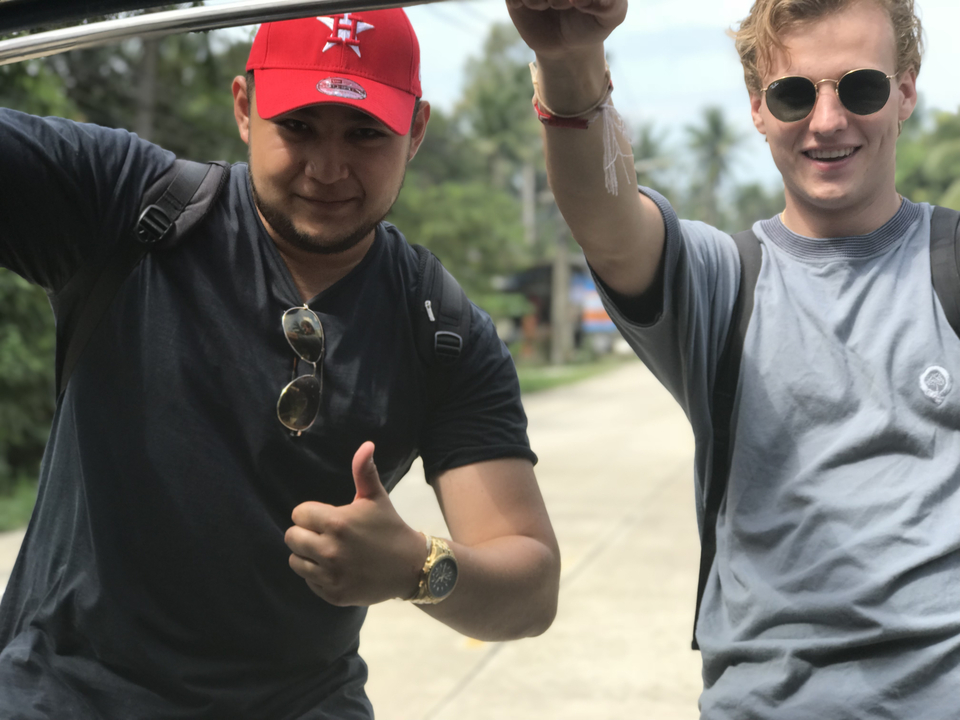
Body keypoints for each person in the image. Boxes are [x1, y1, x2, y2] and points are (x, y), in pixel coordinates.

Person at [0, 9, 561, 718]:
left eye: (365, 133)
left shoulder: (443, 331)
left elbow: (530, 587)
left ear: (415, 132)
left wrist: (415, 566)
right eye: (298, 126)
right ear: (245, 107)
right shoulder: (124, 208)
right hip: (66, 697)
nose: (328, 170)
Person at [507, 0, 958, 716]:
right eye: (794, 93)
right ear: (756, 107)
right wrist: (570, 61)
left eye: (862, 87)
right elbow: (609, 220)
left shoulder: (951, 265)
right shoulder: (723, 281)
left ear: (906, 90)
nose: (829, 120)